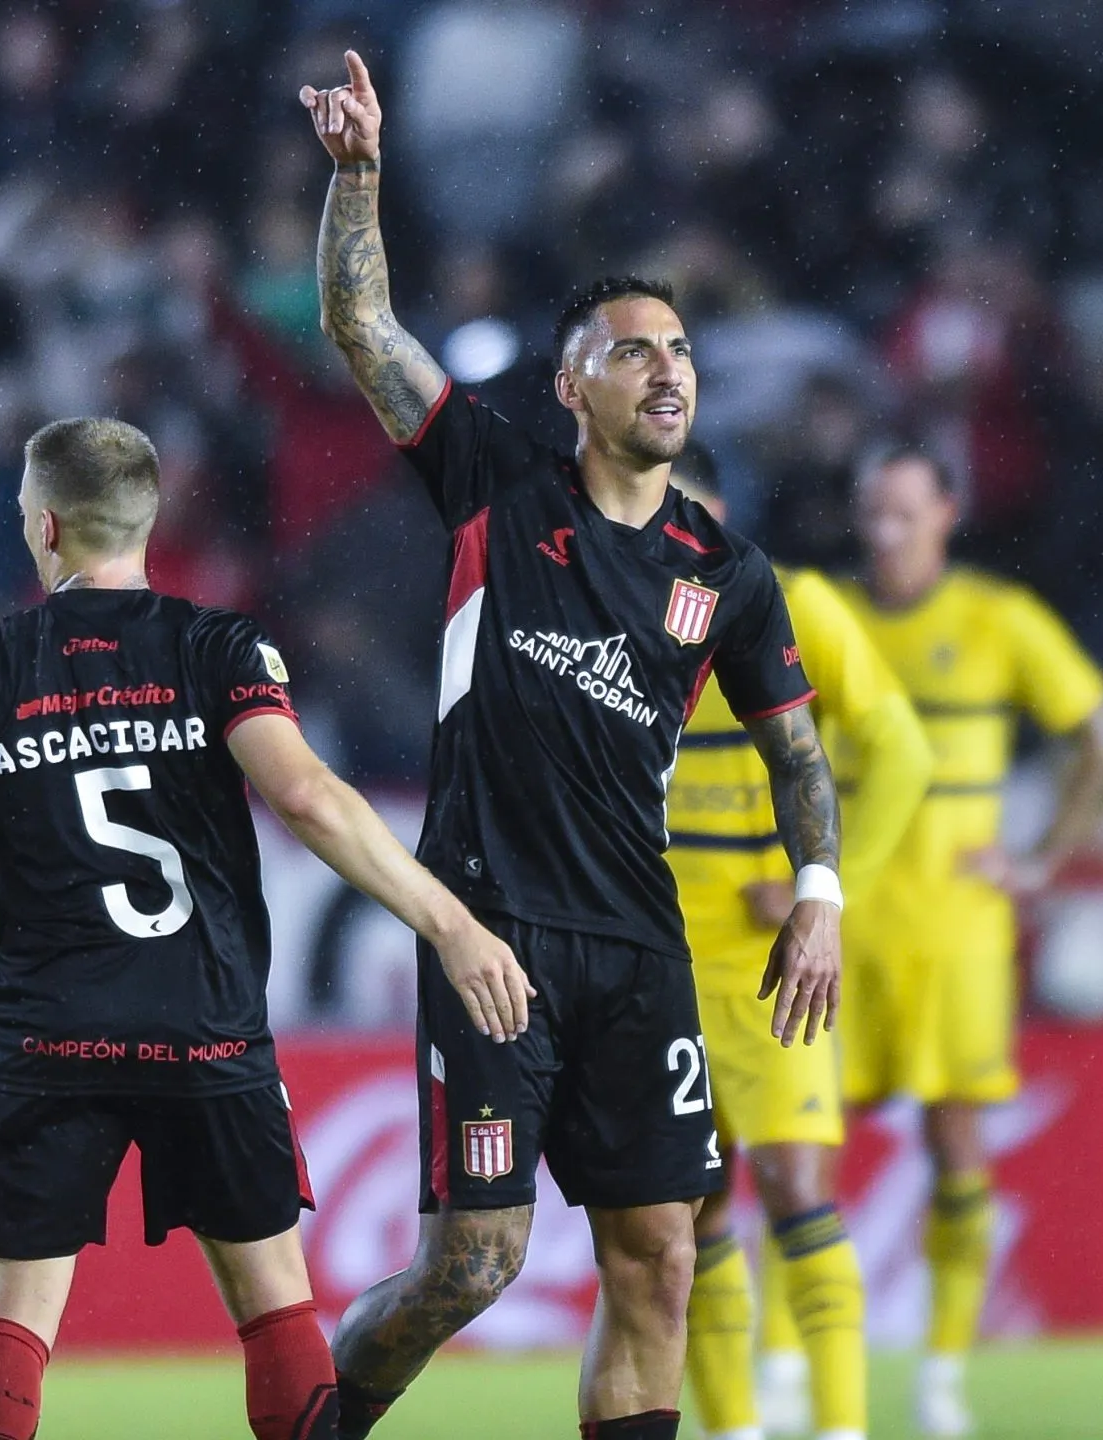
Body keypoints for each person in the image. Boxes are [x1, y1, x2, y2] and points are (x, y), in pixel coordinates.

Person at [300, 51, 844, 1440]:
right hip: (491, 931)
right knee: (473, 1266)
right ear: (569, 387)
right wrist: (357, 181)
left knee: (659, 1258)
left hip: (636, 948)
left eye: (680, 348)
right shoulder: (493, 481)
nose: (669, 369)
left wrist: (824, 896)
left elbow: (794, 755)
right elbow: (364, 327)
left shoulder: (728, 572)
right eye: (633, 350)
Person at [0, 417, 529, 1440]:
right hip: (203, 1023)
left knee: (12, 1325)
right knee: (276, 1315)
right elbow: (306, 799)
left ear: (45, 527)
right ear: (148, 523)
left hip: (47, 1035)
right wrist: (450, 923)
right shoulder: (220, 649)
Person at [830, 446, 1103, 1438]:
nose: (887, 526)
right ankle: (790, 1367)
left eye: (904, 508)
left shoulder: (997, 623)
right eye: (872, 507)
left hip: (958, 926)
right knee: (797, 1151)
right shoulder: (822, 617)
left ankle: (941, 1377)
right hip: (842, 922)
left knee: (954, 1144)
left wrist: (1044, 857)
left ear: (946, 513)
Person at [666, 449, 932, 1440]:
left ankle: (839, 1430)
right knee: (689, 1220)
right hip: (655, 965)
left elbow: (901, 752)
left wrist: (826, 890)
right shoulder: (597, 614)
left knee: (795, 1194)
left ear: (720, 509)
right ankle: (735, 1430)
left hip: (762, 967)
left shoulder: (790, 601)